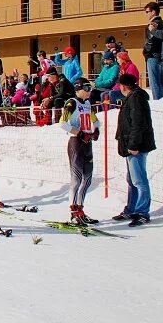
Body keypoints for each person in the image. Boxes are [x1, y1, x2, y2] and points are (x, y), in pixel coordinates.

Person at [113, 73, 156, 227]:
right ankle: (131, 209)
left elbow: (138, 123)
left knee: (139, 180)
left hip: (137, 146)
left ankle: (142, 212)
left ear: (124, 86)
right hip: (129, 145)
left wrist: (134, 145)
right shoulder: (132, 97)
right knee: (131, 180)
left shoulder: (136, 99)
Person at [59, 78, 101, 225]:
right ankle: (73, 211)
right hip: (76, 143)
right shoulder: (71, 103)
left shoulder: (88, 104)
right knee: (76, 179)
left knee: (87, 179)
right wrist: (79, 133)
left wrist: (96, 130)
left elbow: (95, 120)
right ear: (79, 88)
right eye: (87, 88)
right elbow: (62, 123)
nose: (89, 91)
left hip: (87, 143)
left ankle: (80, 209)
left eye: (90, 88)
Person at [142, 2, 163, 99]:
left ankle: (157, 101)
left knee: (154, 82)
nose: (146, 14)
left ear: (153, 12)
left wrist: (146, 52)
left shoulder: (154, 23)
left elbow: (151, 41)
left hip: (153, 55)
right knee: (161, 81)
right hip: (161, 55)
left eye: (147, 11)